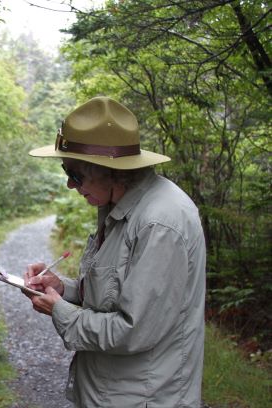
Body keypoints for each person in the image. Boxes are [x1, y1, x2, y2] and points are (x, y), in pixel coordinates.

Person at [23, 96, 206, 407]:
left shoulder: (159, 223)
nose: (70, 185)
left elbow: (132, 331)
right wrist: (62, 289)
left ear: (108, 169)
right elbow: (113, 293)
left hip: (143, 399)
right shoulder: (119, 202)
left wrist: (59, 311)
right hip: (109, 393)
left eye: (75, 174)